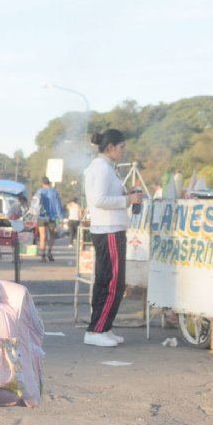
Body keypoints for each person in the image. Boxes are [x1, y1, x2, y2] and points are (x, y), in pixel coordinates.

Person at [83, 129, 142, 347]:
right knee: (112, 282)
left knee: (107, 280)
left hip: (109, 228)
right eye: (121, 147)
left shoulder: (106, 168)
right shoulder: (101, 168)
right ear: (111, 147)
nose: (123, 151)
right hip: (108, 229)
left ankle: (103, 327)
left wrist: (127, 196)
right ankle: (97, 330)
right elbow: (98, 199)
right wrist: (128, 200)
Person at [37, 177, 62, 261]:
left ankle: (42, 256)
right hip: (52, 217)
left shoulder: (39, 192)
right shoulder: (54, 192)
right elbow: (58, 205)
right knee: (52, 235)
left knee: (42, 236)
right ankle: (49, 252)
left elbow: (35, 205)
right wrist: (60, 217)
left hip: (41, 216)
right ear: (49, 183)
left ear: (43, 183)